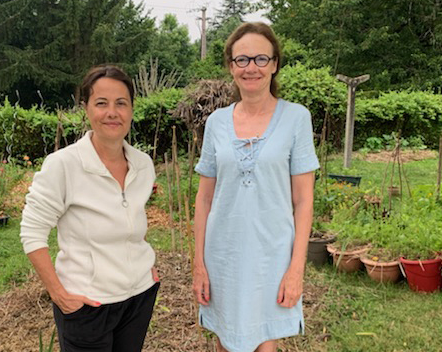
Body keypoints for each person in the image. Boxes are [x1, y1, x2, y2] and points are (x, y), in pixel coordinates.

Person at [192, 22, 319, 352]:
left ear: (275, 64)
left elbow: (304, 201)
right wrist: (199, 264)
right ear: (231, 67)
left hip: (272, 255)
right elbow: (204, 199)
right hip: (222, 254)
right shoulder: (216, 123)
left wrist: (296, 268)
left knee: (264, 341)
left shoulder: (296, 118)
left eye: (261, 59)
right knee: (223, 337)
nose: (251, 68)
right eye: (242, 60)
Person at [20, 65, 159, 352]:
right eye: (101, 103)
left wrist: (147, 270)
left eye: (121, 103)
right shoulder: (63, 165)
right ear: (86, 109)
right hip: (87, 304)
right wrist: (58, 293)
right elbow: (32, 233)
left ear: (132, 109)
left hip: (138, 297)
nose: (112, 112)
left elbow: (131, 222)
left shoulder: (143, 164)